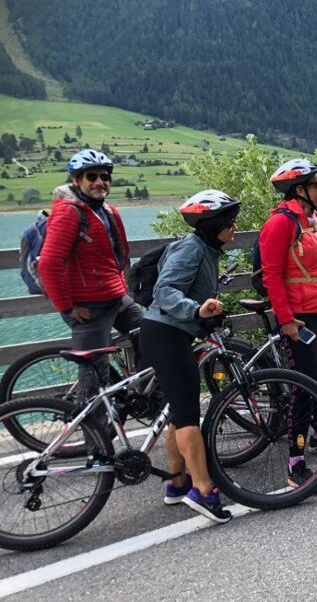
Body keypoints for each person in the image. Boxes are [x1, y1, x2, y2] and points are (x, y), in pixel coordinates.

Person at [139, 189, 239, 523]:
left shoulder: (206, 250)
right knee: (186, 416)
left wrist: (203, 312)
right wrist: (196, 309)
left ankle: (177, 483)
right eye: (229, 221)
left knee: (176, 412)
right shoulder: (190, 248)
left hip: (170, 333)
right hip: (167, 333)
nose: (235, 227)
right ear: (212, 225)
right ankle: (204, 490)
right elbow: (165, 292)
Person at [260, 159, 317, 478]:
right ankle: (295, 462)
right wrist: (286, 320)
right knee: (306, 383)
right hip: (300, 316)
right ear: (300, 190)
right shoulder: (281, 223)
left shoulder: (315, 220)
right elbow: (272, 275)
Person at [38, 149, 144, 400]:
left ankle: (143, 394)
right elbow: (49, 263)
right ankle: (96, 436)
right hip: (88, 308)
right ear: (77, 181)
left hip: (116, 299)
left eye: (104, 176)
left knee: (151, 332)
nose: (99, 182)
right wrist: (67, 307)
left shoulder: (103, 209)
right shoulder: (69, 213)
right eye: (91, 176)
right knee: (95, 375)